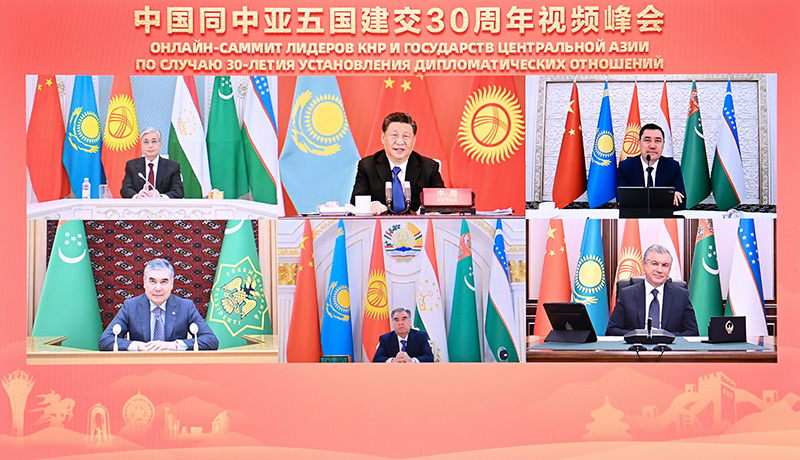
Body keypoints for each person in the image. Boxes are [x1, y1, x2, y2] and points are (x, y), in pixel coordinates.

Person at [99, 258, 218, 351]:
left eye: (164, 282)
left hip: (175, 367)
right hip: (141, 367)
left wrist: (173, 346)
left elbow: (211, 340)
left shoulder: (185, 307)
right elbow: (105, 341)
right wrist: (138, 346)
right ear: (144, 283)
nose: (158, 288)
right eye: (152, 281)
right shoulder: (131, 306)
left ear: (172, 284)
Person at [350, 112, 445, 213]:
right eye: (394, 135)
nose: (400, 142)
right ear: (383, 137)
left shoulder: (429, 168)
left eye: (406, 136)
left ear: (414, 140)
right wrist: (373, 205)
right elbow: (356, 200)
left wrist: (427, 210)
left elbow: (444, 203)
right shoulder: (368, 166)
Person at [607, 244, 699, 336]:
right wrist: (640, 335)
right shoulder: (627, 295)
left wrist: (664, 336)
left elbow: (693, 332)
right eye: (655, 264)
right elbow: (612, 330)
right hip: (636, 344)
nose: (660, 270)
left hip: (669, 344)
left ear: (669, 269)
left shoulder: (681, 296)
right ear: (644, 266)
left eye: (665, 265)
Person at [617, 123, 686, 210]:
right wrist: (667, 198)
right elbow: (623, 202)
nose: (652, 146)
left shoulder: (673, 167)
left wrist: (639, 200)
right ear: (639, 143)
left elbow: (681, 203)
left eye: (657, 141)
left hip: (664, 217)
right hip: (635, 218)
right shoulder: (625, 167)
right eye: (647, 140)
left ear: (663, 144)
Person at [120, 127, 184, 199]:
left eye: (154, 141)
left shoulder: (172, 167)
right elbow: (125, 189)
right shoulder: (132, 165)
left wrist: (161, 197)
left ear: (160, 144)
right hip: (139, 205)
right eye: (146, 142)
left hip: (163, 205)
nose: (150, 146)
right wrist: (138, 196)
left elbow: (178, 191)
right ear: (141, 145)